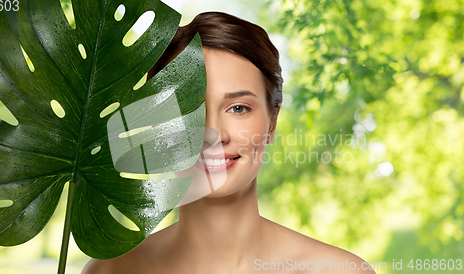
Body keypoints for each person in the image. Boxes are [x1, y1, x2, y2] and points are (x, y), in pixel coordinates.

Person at [83, 12, 375, 274]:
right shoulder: (110, 271)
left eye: (238, 108)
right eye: (187, 108)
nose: (213, 133)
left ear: (272, 122)